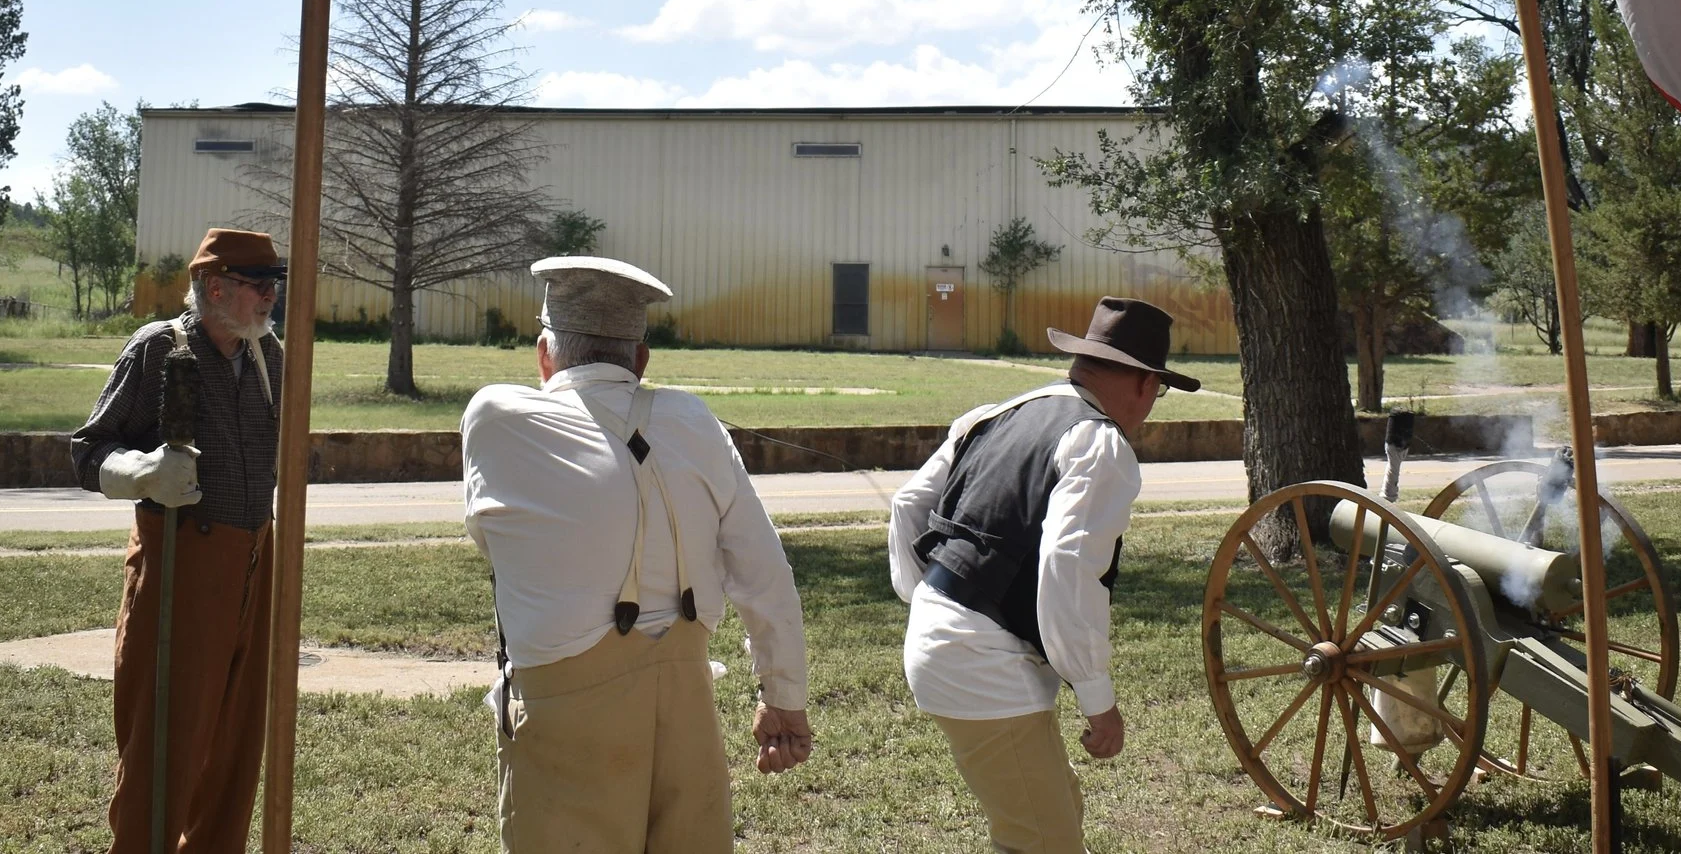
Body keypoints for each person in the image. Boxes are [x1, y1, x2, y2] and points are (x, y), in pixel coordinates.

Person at [461, 255, 812, 852]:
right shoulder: (693, 420)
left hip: (566, 710)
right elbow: (764, 573)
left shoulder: (496, 416)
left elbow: (487, 535)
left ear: (545, 356)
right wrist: (783, 698)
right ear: (641, 360)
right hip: (686, 702)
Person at [890, 296, 1198, 854]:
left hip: (953, 641)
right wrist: (1096, 696)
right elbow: (1066, 570)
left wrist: (931, 605)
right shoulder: (1098, 442)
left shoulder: (993, 414)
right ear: (1146, 385)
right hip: (983, 663)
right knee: (1043, 838)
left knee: (1053, 810)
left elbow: (908, 505)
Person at [71, 228, 287, 854]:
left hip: (256, 556)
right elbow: (88, 453)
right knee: (165, 741)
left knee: (237, 743)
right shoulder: (161, 348)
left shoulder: (269, 357)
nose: (270, 296)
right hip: (181, 559)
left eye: (274, 283)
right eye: (257, 284)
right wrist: (139, 473)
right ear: (215, 287)